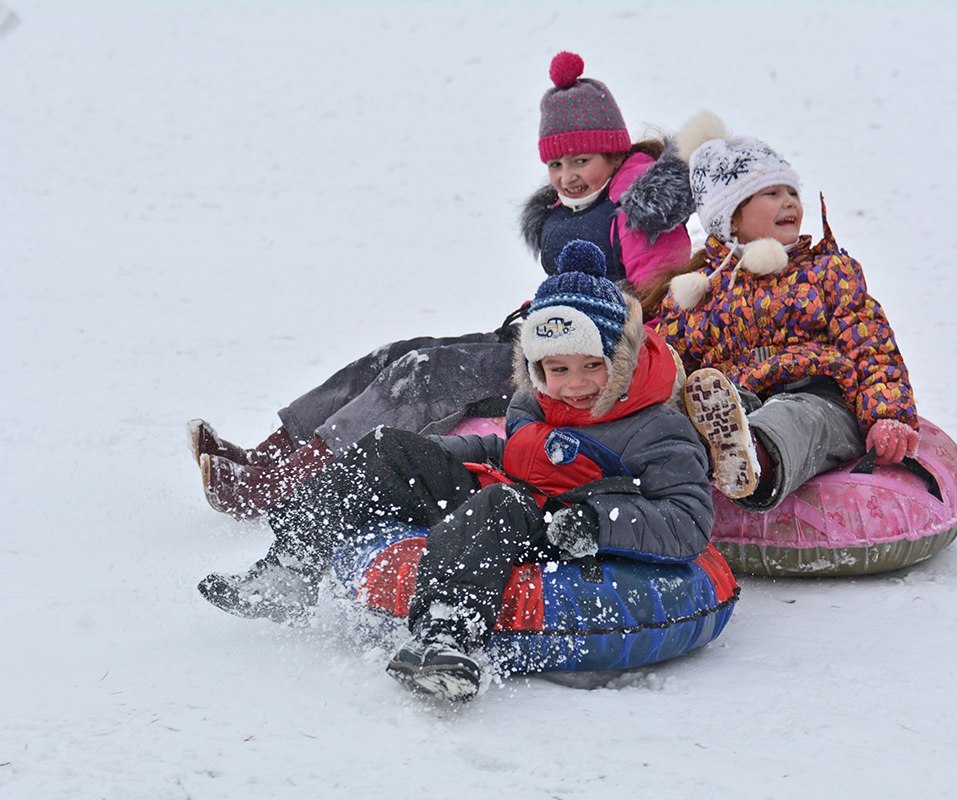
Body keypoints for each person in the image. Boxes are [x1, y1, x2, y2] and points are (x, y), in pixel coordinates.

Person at [196, 240, 714, 703]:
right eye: (557, 369)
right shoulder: (537, 403)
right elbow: (513, 449)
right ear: (536, 368)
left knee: (497, 506)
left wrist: (596, 523)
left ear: (619, 358)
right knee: (388, 450)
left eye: (590, 366)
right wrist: (441, 451)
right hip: (516, 490)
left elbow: (687, 519)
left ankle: (448, 636)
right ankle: (291, 563)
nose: (574, 384)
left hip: (566, 524)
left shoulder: (656, 428)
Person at [190, 51, 694, 520]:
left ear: (611, 151)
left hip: (584, 361)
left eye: (581, 160)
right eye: (556, 164)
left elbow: (658, 297)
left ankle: (291, 483)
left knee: (423, 373)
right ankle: (271, 452)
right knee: (398, 353)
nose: (568, 176)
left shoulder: (639, 208)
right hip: (540, 337)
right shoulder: (575, 211)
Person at [654, 112, 919, 508]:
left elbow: (872, 346)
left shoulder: (828, 271)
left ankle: (752, 458)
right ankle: (700, 453)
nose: (789, 202)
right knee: (705, 409)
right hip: (738, 396)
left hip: (820, 399)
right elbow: (665, 364)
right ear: (730, 216)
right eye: (771, 194)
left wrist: (888, 414)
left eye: (791, 192)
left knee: (794, 419)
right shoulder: (697, 293)